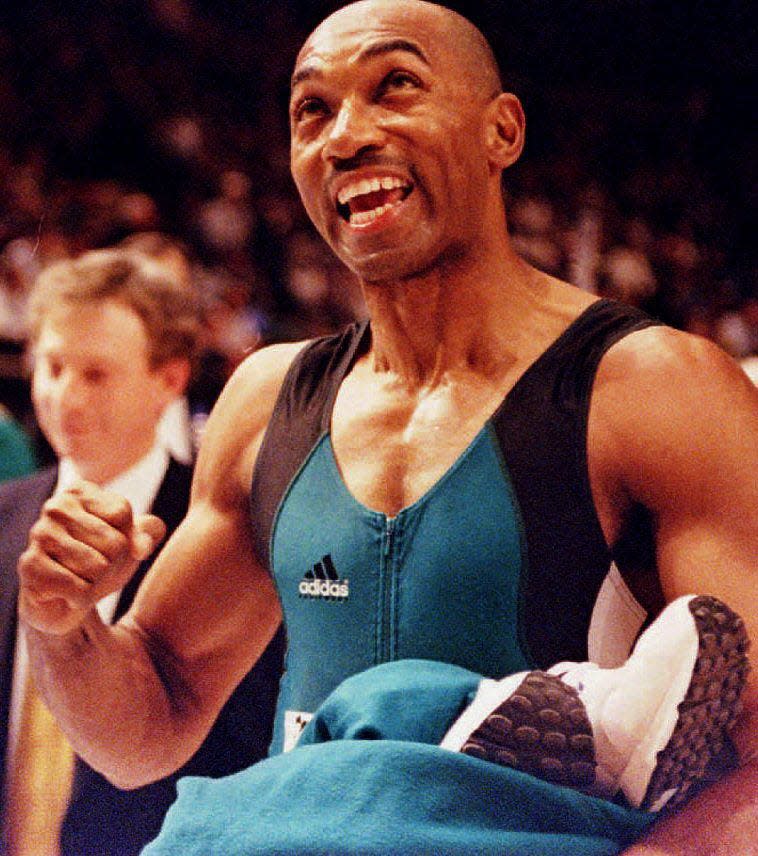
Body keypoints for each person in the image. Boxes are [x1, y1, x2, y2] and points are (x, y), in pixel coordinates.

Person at [15, 2, 757, 854]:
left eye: (394, 86)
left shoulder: (656, 391)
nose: (345, 136)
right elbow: (143, 730)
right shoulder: (266, 404)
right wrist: (64, 624)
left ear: (501, 131)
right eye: (312, 110)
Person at [0, 248, 283, 856]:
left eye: (96, 374)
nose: (65, 397)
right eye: (52, 368)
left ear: (171, 379)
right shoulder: (3, 516)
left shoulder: (227, 533)